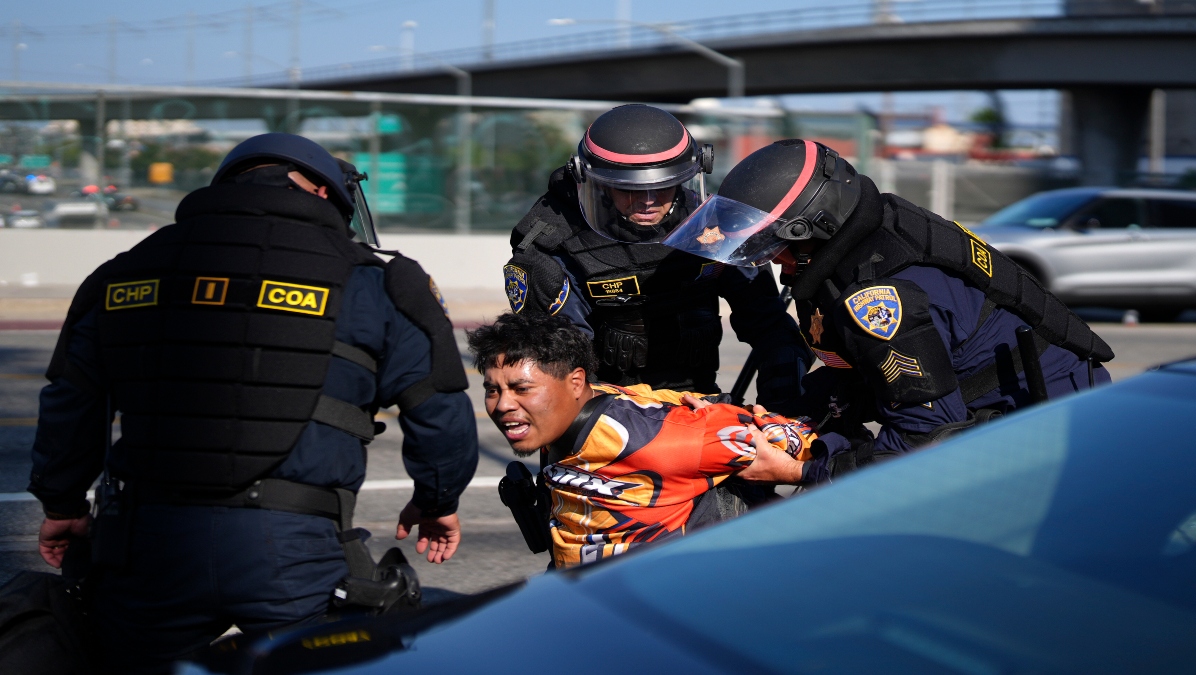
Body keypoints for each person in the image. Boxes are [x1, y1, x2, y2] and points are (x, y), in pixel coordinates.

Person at [29, 133, 479, 673]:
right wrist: (438, 499)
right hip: (293, 546)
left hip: (151, 544)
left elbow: (69, 402)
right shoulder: (378, 278)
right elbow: (438, 405)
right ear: (322, 192)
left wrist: (62, 505)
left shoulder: (123, 271)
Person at [662, 139, 1114, 466]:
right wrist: (795, 418)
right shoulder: (871, 232)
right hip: (1019, 398)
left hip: (1047, 426)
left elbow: (927, 440)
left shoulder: (878, 300)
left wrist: (802, 470)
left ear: (810, 234)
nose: (768, 260)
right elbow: (863, 374)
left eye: (768, 244)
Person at [502, 104, 810, 415]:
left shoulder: (713, 225)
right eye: (630, 189)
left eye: (662, 186)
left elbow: (771, 327)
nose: (648, 201)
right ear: (595, 180)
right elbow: (562, 366)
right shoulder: (552, 247)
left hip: (698, 403)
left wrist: (781, 416)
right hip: (603, 409)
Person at [468, 311, 838, 569]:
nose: (502, 405)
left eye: (521, 389)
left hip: (657, 601)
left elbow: (794, 438)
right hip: (576, 598)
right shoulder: (558, 414)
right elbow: (648, 396)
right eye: (492, 390)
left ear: (575, 383)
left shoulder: (667, 439)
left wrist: (795, 468)